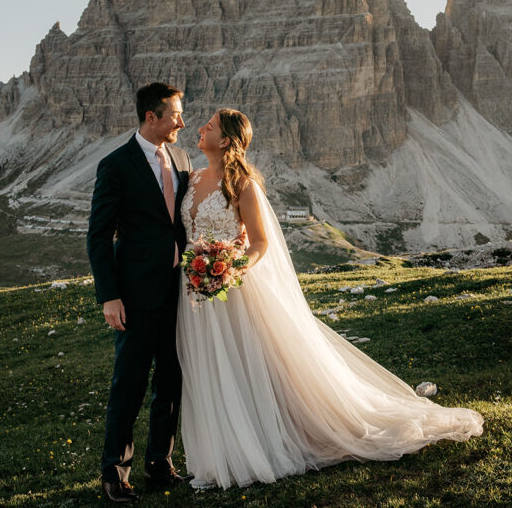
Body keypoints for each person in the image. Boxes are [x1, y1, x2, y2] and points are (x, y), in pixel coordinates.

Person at [176, 108, 484, 490]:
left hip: (233, 287)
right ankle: (221, 451)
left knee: (248, 366)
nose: (201, 128)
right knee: (211, 369)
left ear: (224, 140)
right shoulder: (191, 178)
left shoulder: (243, 185)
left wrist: (232, 265)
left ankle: (264, 442)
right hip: (193, 290)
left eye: (210, 126)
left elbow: (259, 242)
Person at [87, 82, 193, 504]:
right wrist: (109, 296)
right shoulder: (116, 165)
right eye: (175, 116)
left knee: (170, 379)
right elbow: (98, 236)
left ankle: (160, 463)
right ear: (152, 117)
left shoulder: (182, 158)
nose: (181, 123)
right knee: (128, 384)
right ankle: (115, 473)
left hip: (178, 291)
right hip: (133, 294)